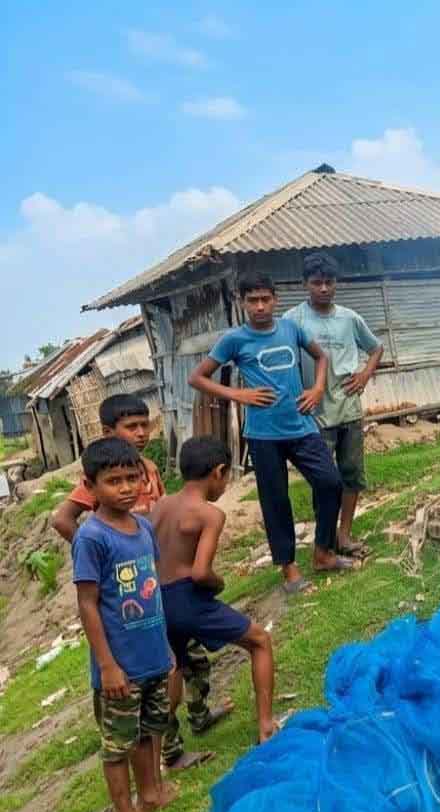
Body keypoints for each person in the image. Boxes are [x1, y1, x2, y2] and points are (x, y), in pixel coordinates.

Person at [50, 393, 225, 771]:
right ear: (108, 431)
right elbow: (62, 519)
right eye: (132, 427)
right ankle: (170, 751)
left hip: (156, 585)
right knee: (166, 671)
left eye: (146, 424)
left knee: (189, 659)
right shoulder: (104, 477)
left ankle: (198, 715)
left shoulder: (148, 469)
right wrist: (106, 559)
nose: (142, 432)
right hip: (128, 594)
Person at [189, 273, 351, 595]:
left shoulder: (290, 329)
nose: (260, 306)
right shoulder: (234, 339)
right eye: (253, 300)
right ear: (242, 302)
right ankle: (289, 568)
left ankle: (323, 552)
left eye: (265, 299)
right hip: (263, 434)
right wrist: (238, 394)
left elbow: (321, 356)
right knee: (275, 500)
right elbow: (198, 377)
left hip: (301, 426)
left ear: (275, 299)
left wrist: (317, 388)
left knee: (330, 482)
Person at [72, 437, 175, 812]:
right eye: (114, 481)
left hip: (153, 655)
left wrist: (166, 647)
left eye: (133, 478)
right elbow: (88, 604)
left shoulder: (144, 527)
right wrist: (108, 665)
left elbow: (153, 591)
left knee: (150, 729)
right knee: (118, 746)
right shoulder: (92, 537)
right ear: (90, 486)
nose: (127, 488)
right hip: (120, 667)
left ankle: (151, 794)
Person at [150, 436, 277, 745]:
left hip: (157, 600)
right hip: (187, 598)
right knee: (259, 641)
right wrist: (218, 584)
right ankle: (266, 726)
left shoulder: (161, 506)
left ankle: (164, 750)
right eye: (226, 476)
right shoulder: (209, 514)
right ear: (218, 472)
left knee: (174, 667)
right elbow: (200, 572)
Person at [284, 252, 384, 557]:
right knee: (324, 482)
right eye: (317, 283)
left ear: (336, 283)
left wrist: (364, 375)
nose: (324, 288)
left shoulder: (349, 318)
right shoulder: (293, 320)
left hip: (349, 410)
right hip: (314, 416)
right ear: (305, 284)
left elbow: (376, 348)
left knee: (351, 475)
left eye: (329, 282)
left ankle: (344, 536)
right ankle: (324, 542)